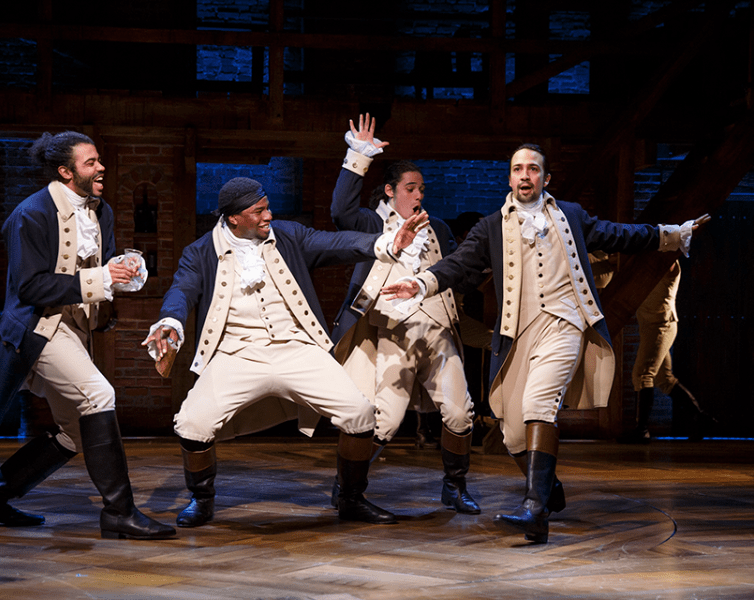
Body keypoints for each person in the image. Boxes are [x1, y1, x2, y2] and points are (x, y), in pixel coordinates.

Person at [382, 143, 705, 543]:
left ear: (544, 178)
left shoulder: (570, 215)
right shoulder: (490, 226)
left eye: (532, 169)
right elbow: (458, 264)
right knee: (513, 433)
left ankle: (534, 510)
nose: (524, 175)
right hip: (518, 333)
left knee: (539, 405)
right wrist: (420, 281)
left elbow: (618, 235)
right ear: (509, 177)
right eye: (517, 169)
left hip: (565, 323)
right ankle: (547, 487)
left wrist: (671, 235)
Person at [143, 176, 428, 528]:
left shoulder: (289, 235)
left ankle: (352, 499)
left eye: (267, 207)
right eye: (259, 211)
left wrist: (384, 244)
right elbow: (182, 290)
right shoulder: (201, 251)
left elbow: (337, 242)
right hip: (236, 353)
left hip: (298, 348)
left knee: (359, 414)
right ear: (234, 218)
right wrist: (170, 322)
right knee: (191, 424)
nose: (268, 215)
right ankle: (202, 499)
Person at [0, 131, 176, 540]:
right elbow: (30, 287)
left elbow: (102, 266)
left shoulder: (100, 210)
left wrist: (124, 269)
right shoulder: (32, 214)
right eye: (91, 162)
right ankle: (119, 513)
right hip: (40, 327)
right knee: (100, 395)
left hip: (76, 329)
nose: (101, 167)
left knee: (74, 432)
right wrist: (101, 277)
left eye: (98, 161)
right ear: (65, 171)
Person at [329, 114, 479, 515]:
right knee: (385, 421)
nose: (419, 195)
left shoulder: (439, 228)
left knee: (461, 411)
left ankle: (455, 486)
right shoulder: (370, 222)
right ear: (391, 191)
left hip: (438, 330)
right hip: (392, 333)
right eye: (411, 188)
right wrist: (358, 155)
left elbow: (456, 272)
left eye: (422, 189)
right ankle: (348, 488)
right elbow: (340, 212)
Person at [620, 259, 716, 443]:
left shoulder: (668, 260)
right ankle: (702, 419)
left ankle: (642, 430)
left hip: (660, 325)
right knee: (664, 379)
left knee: (642, 375)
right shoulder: (654, 259)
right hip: (651, 325)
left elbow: (662, 262)